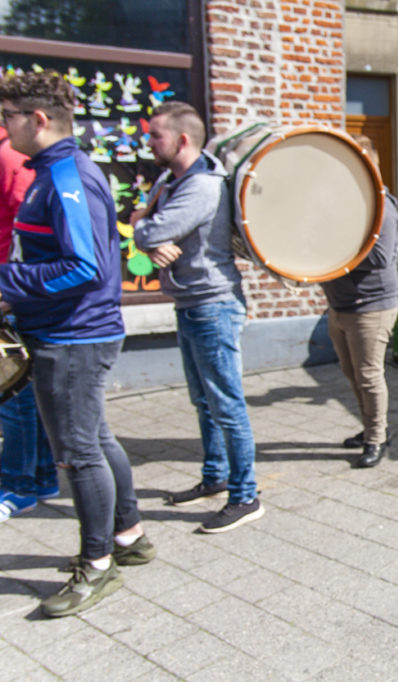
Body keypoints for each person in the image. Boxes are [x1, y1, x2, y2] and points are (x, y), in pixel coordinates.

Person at [0, 71, 154, 617]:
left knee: (78, 453)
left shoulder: (67, 177)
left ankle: (97, 565)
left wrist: (7, 282)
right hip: (68, 332)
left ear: (38, 120)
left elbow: (82, 267)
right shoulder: (52, 171)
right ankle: (129, 536)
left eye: (8, 117)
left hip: (72, 337)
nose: (4, 127)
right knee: (96, 438)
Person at [132, 101, 262, 533]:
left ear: (182, 139)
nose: (149, 142)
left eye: (156, 135)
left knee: (226, 404)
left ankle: (245, 496)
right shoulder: (170, 180)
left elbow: (148, 226)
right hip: (190, 303)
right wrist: (150, 234)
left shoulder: (203, 186)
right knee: (203, 401)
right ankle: (215, 477)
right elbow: (148, 226)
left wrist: (147, 230)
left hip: (213, 306)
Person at [320, 134, 398, 469]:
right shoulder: (343, 202)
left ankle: (377, 438)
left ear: (369, 164)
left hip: (372, 307)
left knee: (368, 375)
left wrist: (332, 246)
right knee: (351, 373)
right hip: (340, 304)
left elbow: (379, 256)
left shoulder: (381, 205)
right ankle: (371, 427)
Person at [0, 122, 59, 522]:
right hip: (14, 288)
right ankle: (41, 476)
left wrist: (15, 290)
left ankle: (19, 485)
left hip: (11, 291)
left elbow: (30, 236)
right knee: (21, 391)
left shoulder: (8, 157)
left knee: (12, 391)